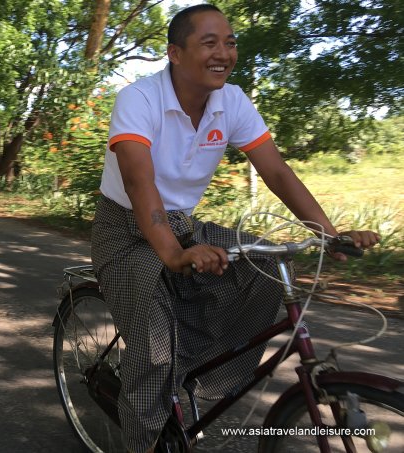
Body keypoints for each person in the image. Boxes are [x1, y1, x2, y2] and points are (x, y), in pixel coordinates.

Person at [90, 5, 380, 452]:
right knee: (153, 350)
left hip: (181, 225)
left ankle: (190, 375)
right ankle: (142, 435)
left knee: (265, 272)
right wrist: (172, 254)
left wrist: (328, 233)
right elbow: (138, 180)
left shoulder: (233, 101)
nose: (223, 53)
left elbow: (277, 171)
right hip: (124, 231)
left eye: (230, 43)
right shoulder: (140, 99)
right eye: (209, 43)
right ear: (175, 53)